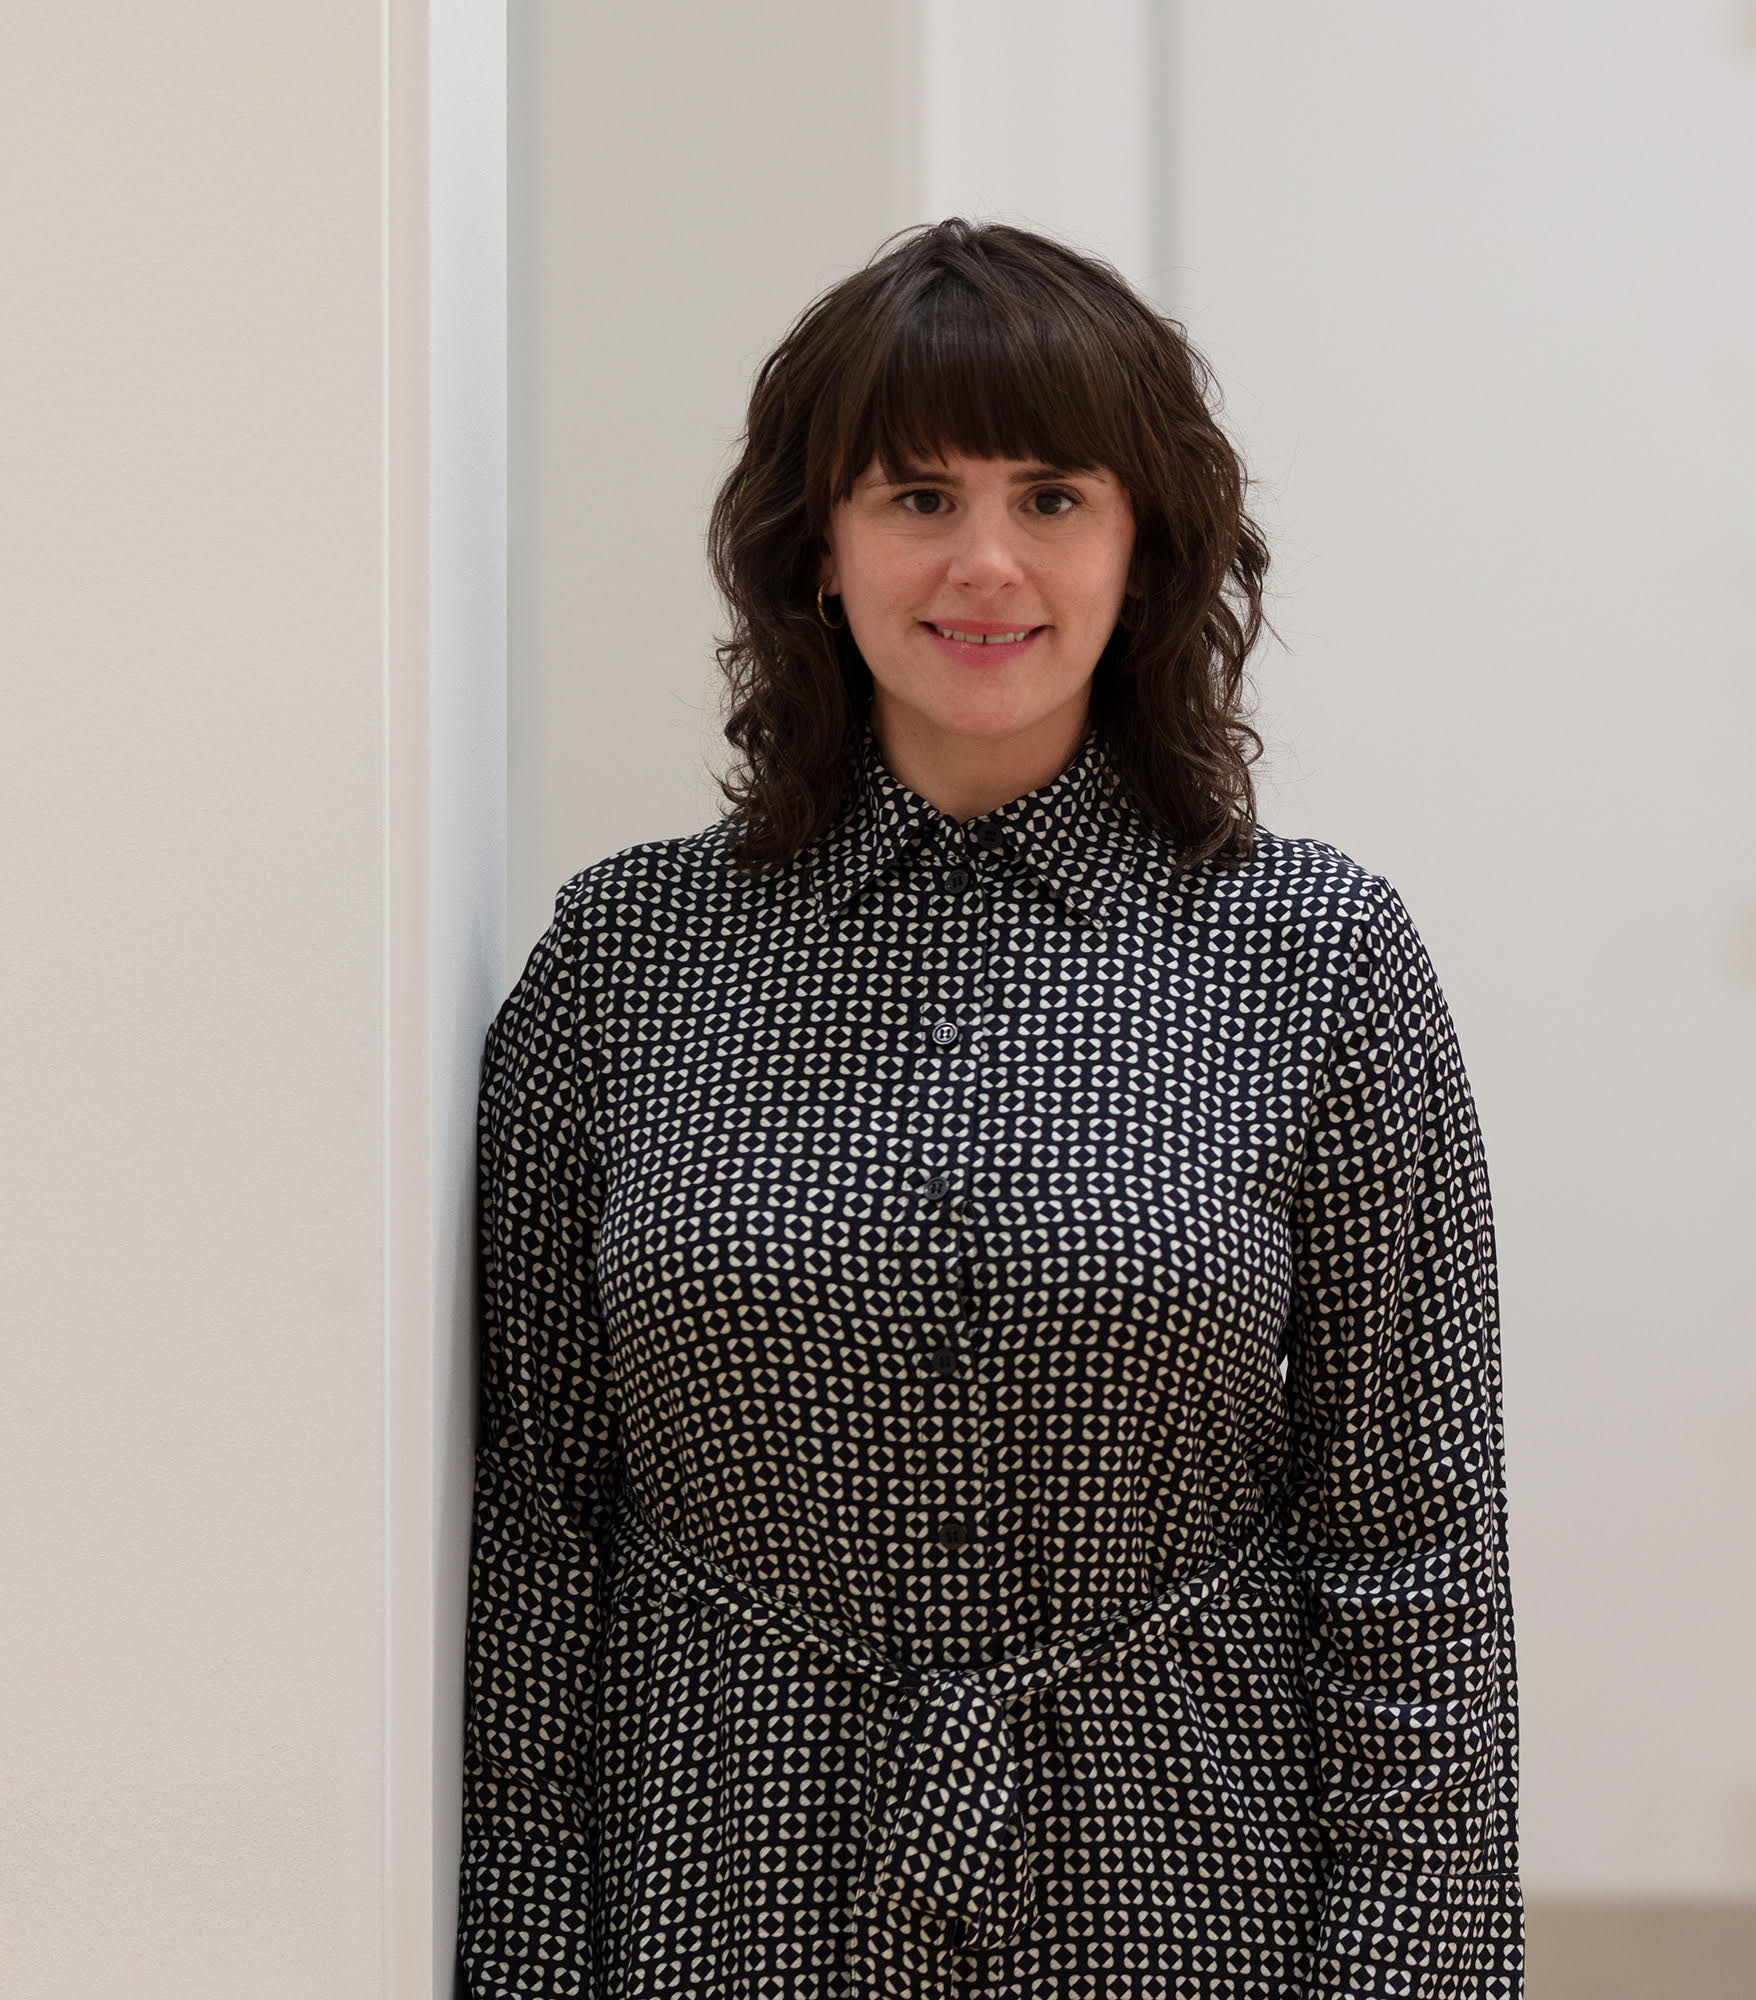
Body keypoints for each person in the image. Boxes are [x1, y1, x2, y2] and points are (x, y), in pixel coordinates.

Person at [455, 220, 1521, 1997]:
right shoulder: (624, 960)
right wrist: (516, 1949)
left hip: (1188, 1877)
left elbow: (1413, 1545)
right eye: (918, 496)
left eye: (1052, 497)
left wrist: (1408, 1964)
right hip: (719, 1871)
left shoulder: (1319, 958)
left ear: (1142, 547)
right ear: (817, 547)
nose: (986, 563)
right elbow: (535, 1539)